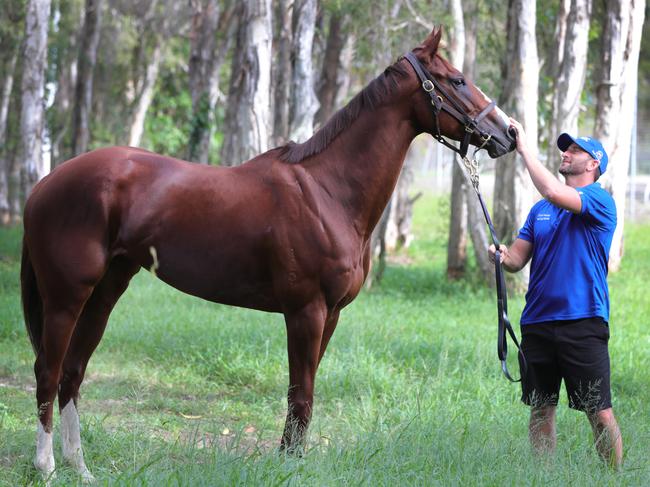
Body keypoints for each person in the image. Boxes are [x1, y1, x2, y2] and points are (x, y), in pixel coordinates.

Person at [488, 117, 622, 467]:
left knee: (599, 411)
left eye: (576, 149)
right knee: (541, 409)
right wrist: (502, 256)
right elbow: (518, 259)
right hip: (538, 322)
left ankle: (614, 476)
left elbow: (552, 190)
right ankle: (543, 476)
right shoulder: (540, 211)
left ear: (594, 164)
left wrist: (525, 149)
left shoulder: (599, 200)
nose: (567, 152)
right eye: (566, 148)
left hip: (583, 320)